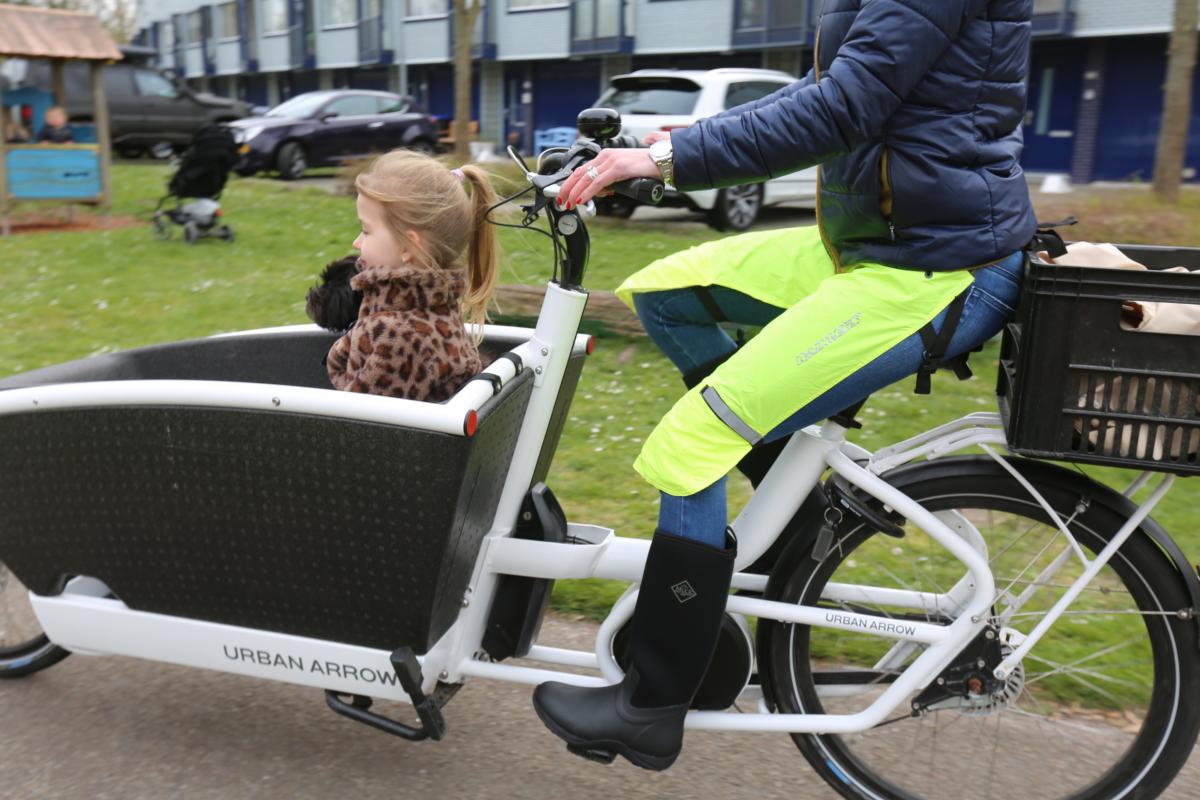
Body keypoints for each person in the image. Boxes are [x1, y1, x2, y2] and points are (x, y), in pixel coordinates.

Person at [531, 0, 1038, 772]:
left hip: (934, 270)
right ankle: (793, 529)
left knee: (692, 442)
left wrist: (665, 163)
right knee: (667, 290)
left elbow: (843, 107)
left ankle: (653, 701)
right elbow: (837, 89)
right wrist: (687, 140)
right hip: (875, 244)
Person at [325, 150, 497, 401]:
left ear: (408, 246)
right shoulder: (436, 312)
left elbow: (358, 424)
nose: (356, 242)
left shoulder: (395, 335)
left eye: (366, 230)